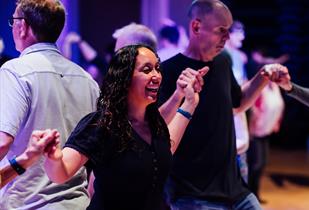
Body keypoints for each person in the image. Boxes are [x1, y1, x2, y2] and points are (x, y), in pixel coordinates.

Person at [33, 44, 207, 210]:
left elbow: (166, 150)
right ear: (125, 77)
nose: (157, 75)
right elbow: (60, 174)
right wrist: (54, 158)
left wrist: (189, 103)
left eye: (157, 68)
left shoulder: (154, 121)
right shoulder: (102, 124)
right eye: (147, 70)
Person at [158, 0, 289, 209]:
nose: (227, 38)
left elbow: (237, 103)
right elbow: (156, 128)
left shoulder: (222, 62)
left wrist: (262, 77)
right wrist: (178, 95)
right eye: (221, 30)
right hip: (193, 195)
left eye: (228, 31)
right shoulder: (169, 71)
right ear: (196, 27)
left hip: (236, 191)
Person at [0, 0, 99, 209]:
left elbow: (2, 142)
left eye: (13, 21)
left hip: (27, 203)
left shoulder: (15, 71)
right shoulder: (87, 80)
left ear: (23, 26)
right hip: (77, 203)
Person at [247, 81, 284, 203]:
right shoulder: (260, 89)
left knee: (262, 164)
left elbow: (279, 106)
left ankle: (255, 194)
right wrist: (251, 128)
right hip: (256, 132)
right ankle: (250, 194)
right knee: (256, 165)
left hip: (266, 131)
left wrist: (276, 122)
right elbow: (253, 108)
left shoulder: (275, 88)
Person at [225, 20, 249, 182]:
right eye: (239, 32)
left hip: (238, 109)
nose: (243, 36)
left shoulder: (240, 57)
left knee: (241, 152)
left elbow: (244, 82)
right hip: (226, 110)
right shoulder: (221, 56)